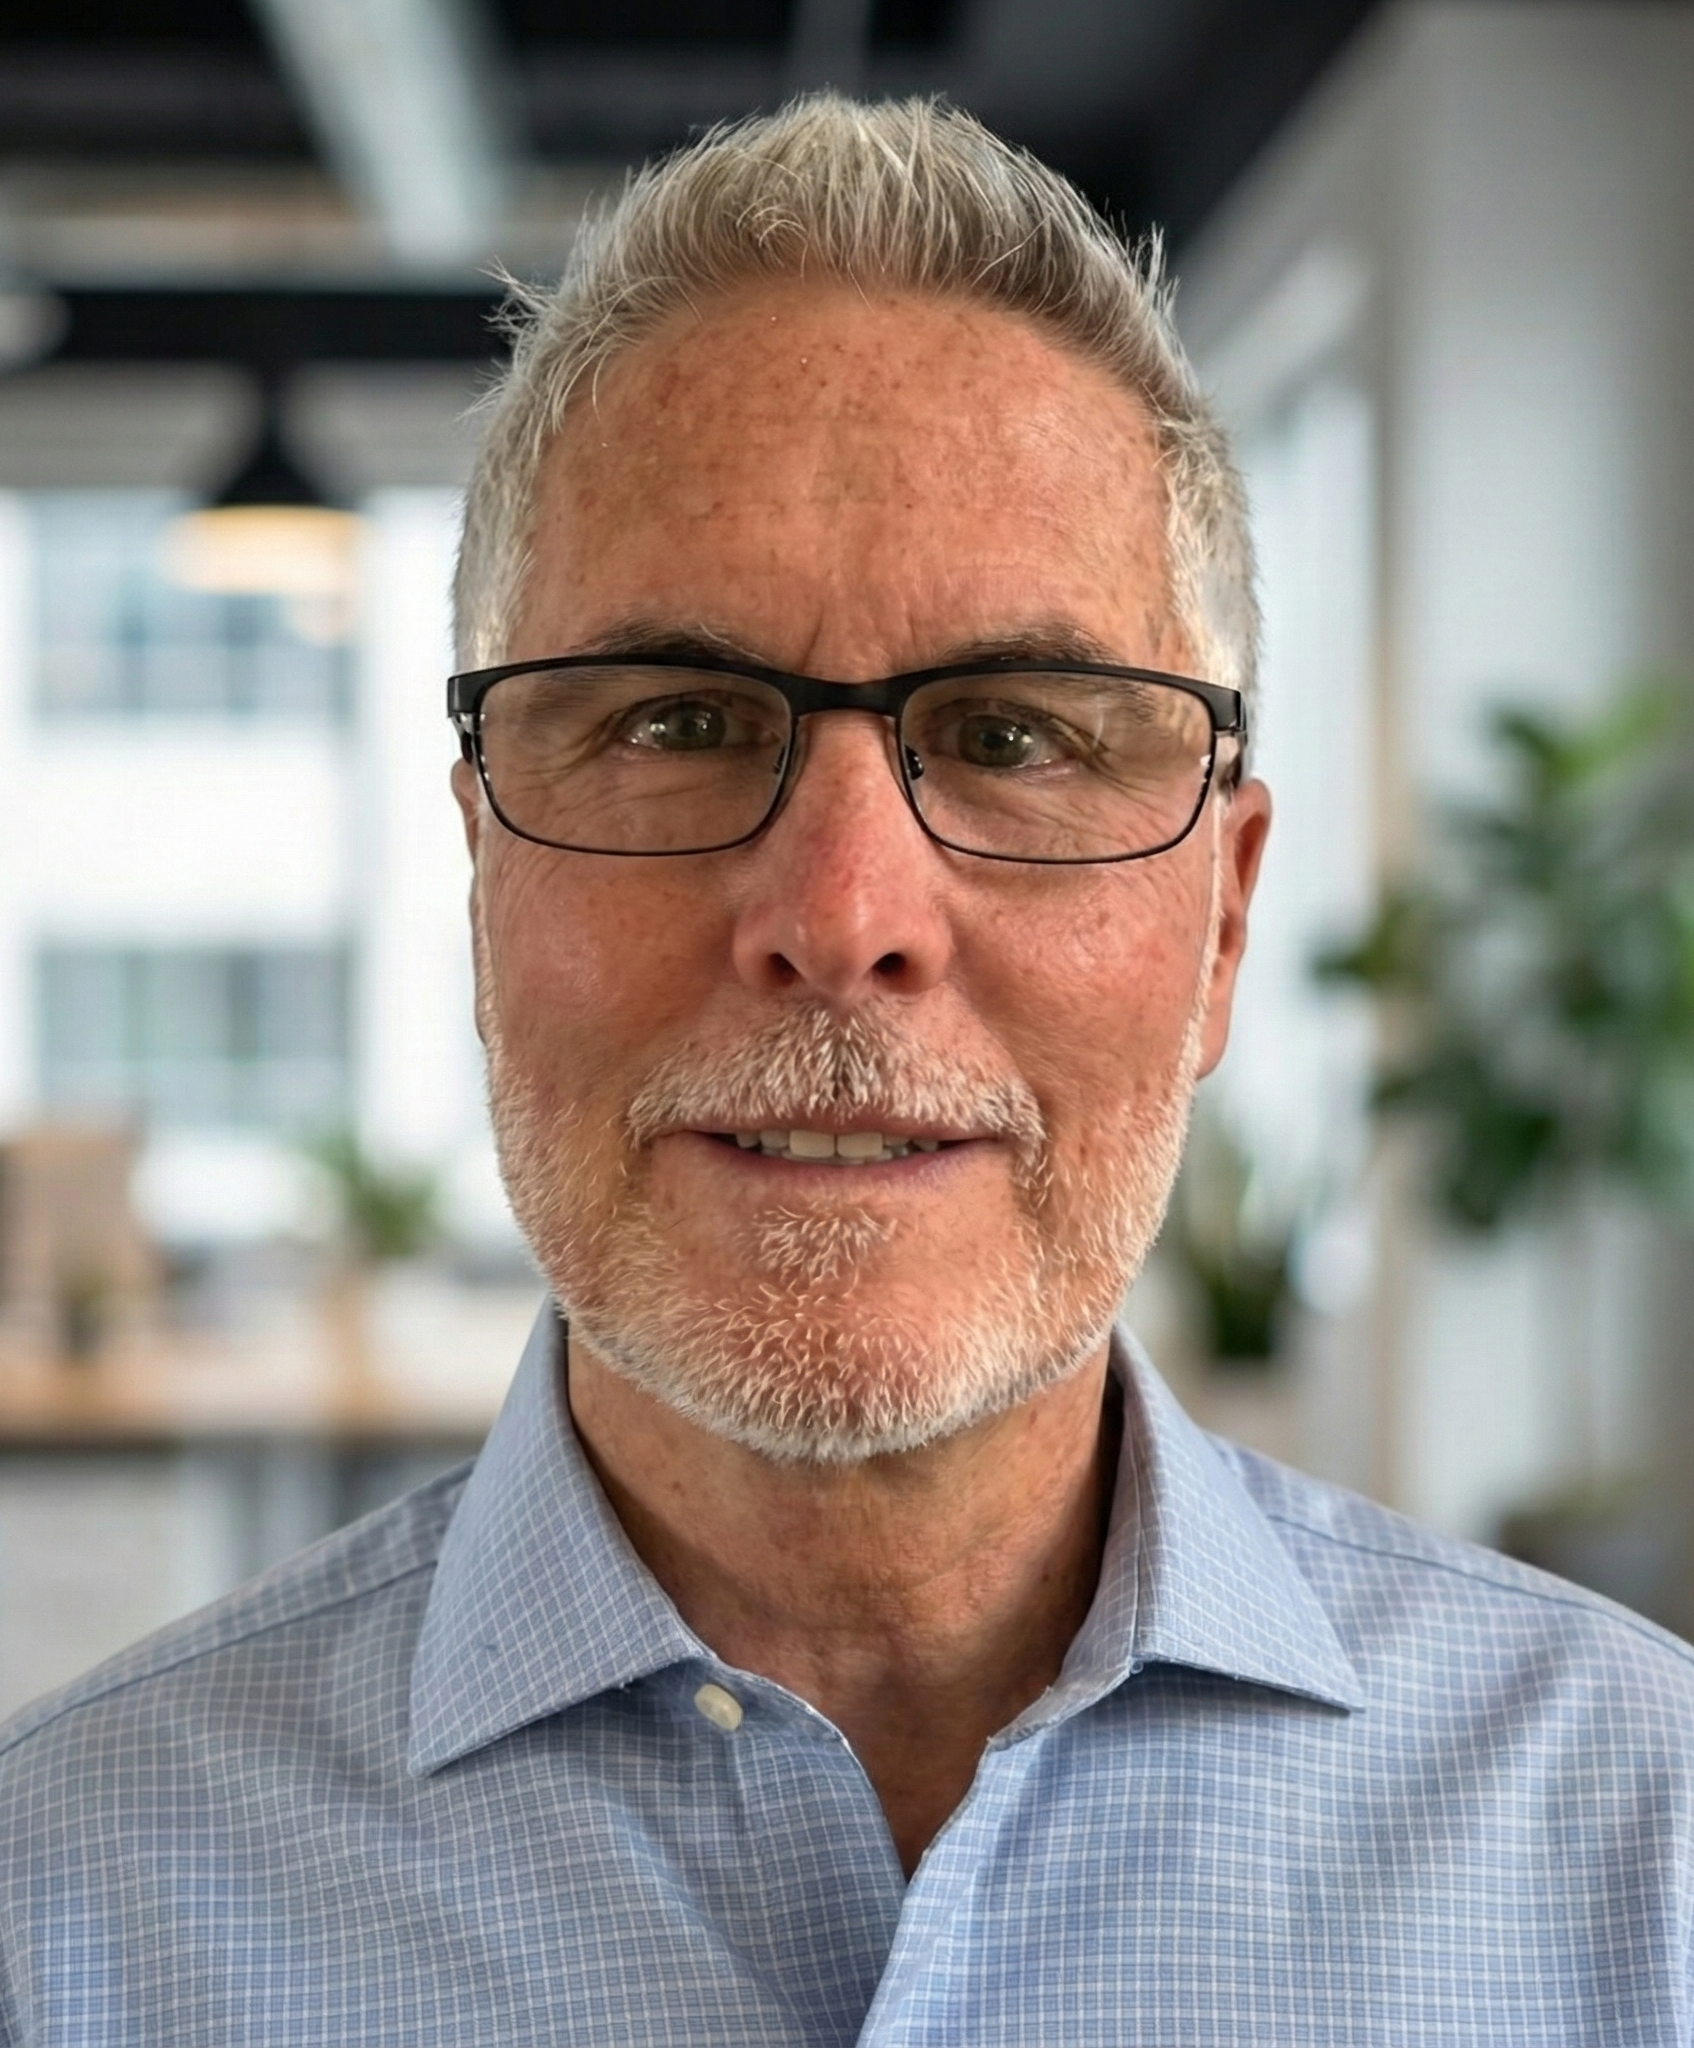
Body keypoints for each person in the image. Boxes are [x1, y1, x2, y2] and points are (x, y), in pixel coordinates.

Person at [3, 95, 1693, 2048]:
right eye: (681, 719)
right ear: (481, 884)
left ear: (1221, 927)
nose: (841, 911)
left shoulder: (1640, 1869)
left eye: (1014, 735)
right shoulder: (64, 1922)